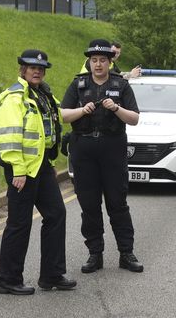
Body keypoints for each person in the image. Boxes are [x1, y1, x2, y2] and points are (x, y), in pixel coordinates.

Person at [0, 49, 76, 295]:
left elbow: (51, 126)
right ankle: (7, 280)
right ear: (23, 69)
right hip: (21, 170)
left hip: (41, 167)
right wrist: (18, 170)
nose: (37, 71)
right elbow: (8, 138)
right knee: (19, 224)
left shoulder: (44, 94)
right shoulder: (14, 98)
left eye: (41, 68)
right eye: (32, 67)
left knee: (56, 214)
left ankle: (51, 275)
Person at [61, 39, 143, 274]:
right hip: (84, 148)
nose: (98, 64)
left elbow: (135, 119)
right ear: (89, 62)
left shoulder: (121, 85)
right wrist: (82, 110)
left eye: (103, 60)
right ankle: (94, 254)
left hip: (112, 147)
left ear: (110, 62)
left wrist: (116, 108)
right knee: (89, 204)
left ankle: (126, 253)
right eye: (94, 60)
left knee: (117, 203)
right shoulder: (78, 85)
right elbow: (63, 115)